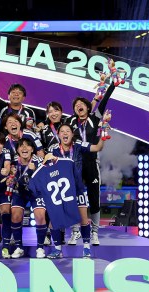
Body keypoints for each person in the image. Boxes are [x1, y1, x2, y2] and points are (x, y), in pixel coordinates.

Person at [65, 82, 116, 246]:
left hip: (92, 163)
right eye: (76, 105)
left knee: (94, 199)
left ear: (88, 107)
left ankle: (94, 232)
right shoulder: (70, 122)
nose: (78, 106)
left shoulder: (95, 118)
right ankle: (75, 231)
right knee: (73, 199)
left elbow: (105, 100)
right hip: (75, 164)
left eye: (81, 104)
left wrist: (112, 84)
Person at [46, 124, 106, 257]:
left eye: (68, 131)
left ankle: (86, 248)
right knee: (54, 220)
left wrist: (103, 135)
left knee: (84, 219)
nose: (65, 133)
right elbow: (45, 165)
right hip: (61, 191)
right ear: (58, 135)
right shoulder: (53, 149)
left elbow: (98, 147)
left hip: (77, 189)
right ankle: (57, 249)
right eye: (62, 131)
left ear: (72, 134)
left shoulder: (78, 145)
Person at [9, 138, 46, 259]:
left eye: (27, 146)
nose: (24, 148)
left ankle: (40, 248)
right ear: (17, 150)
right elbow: (10, 179)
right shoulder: (13, 162)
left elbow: (44, 179)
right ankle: (19, 247)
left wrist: (35, 171)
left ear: (32, 149)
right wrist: (10, 176)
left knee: (40, 216)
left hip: (36, 192)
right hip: (20, 192)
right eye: (21, 146)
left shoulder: (39, 161)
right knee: (15, 215)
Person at [0, 56, 37, 122]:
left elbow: (32, 128)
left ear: (23, 98)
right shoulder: (2, 107)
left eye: (19, 93)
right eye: (13, 92)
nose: (16, 94)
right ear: (8, 96)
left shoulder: (29, 112)